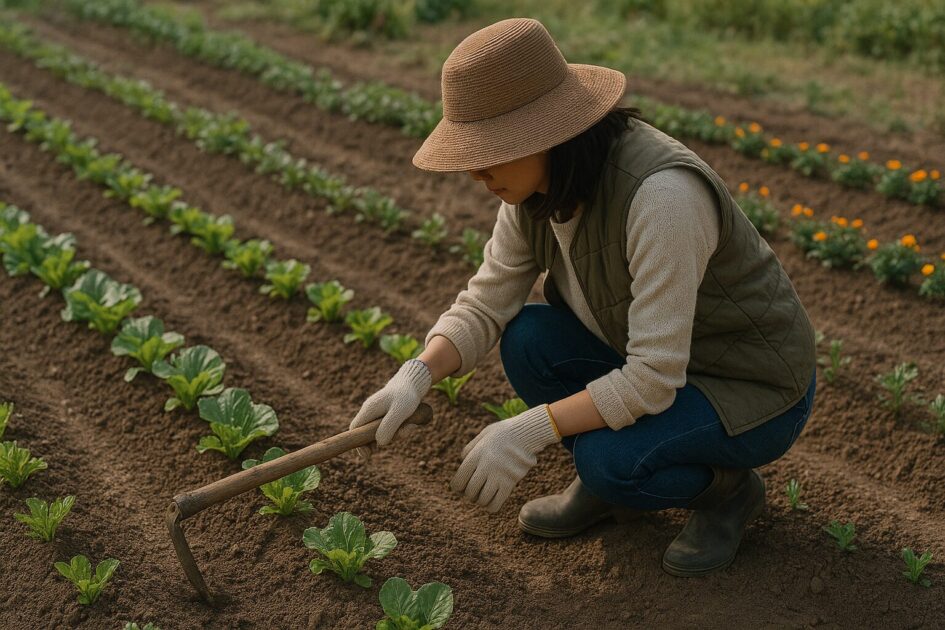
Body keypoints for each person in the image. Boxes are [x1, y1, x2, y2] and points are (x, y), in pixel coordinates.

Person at [349, 17, 817, 577]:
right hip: (667, 364)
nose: (475, 171)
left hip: (750, 387)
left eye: (490, 150)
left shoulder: (662, 198)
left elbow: (651, 377)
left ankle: (726, 495)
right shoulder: (533, 193)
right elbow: (485, 303)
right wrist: (416, 375)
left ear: (544, 132)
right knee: (527, 338)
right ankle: (613, 488)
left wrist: (531, 427)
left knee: (608, 460)